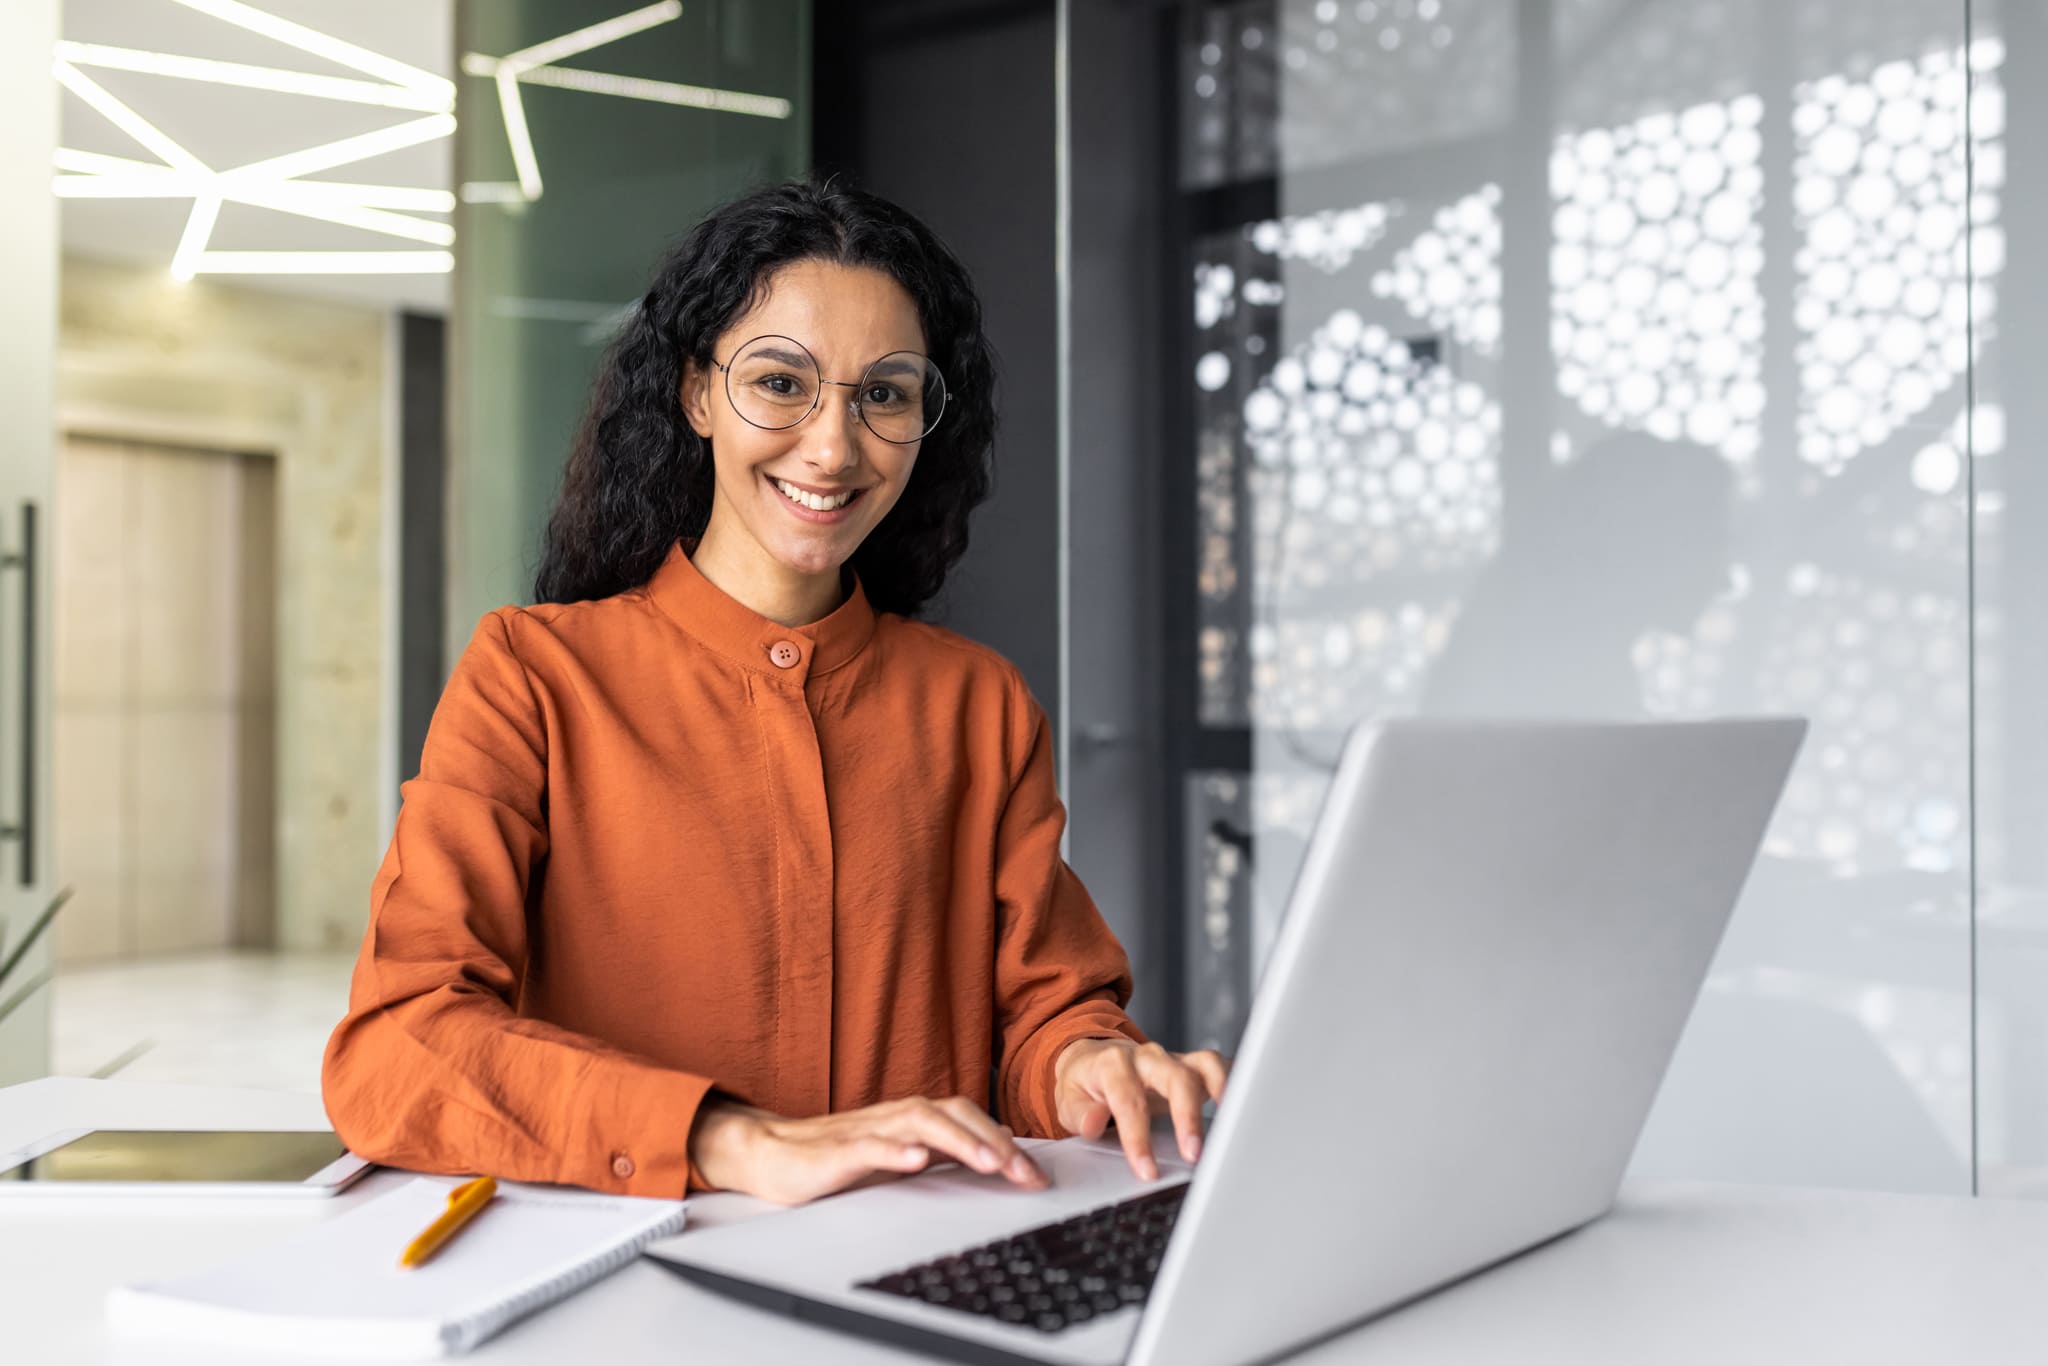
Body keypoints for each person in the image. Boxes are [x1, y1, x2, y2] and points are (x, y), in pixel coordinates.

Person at [321, 178, 1227, 1206]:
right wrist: (725, 1138)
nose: (833, 446)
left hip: (908, 1271)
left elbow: (1045, 1012)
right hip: (635, 1278)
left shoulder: (978, 705)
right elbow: (396, 1047)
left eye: (882, 393)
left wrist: (1083, 1067)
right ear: (695, 393)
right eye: (780, 382)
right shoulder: (533, 677)